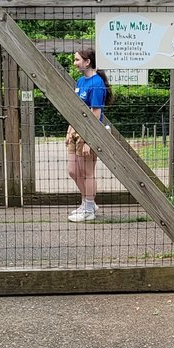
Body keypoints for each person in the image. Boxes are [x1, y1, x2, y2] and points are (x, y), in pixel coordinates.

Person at [66, 45, 111, 223]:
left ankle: (89, 208)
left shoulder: (97, 83)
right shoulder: (80, 81)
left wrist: (87, 140)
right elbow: (76, 109)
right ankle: (88, 203)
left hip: (88, 133)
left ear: (87, 62)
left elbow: (95, 114)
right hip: (75, 131)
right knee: (72, 171)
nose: (75, 63)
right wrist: (70, 129)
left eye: (77, 59)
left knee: (87, 172)